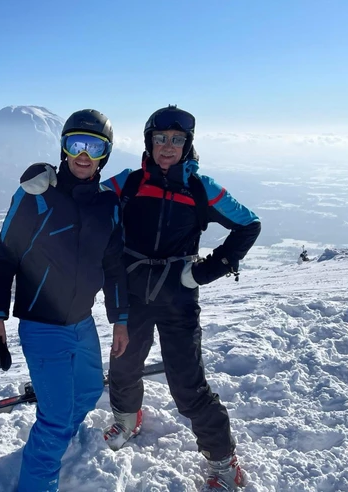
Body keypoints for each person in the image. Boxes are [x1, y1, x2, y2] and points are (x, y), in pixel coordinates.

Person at [102, 105, 261, 491]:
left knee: (188, 385)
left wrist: (208, 270)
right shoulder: (130, 182)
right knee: (123, 365)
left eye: (177, 139)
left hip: (178, 299)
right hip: (133, 294)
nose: (168, 146)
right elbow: (87, 200)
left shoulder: (200, 188)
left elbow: (249, 224)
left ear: (188, 144)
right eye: (160, 138)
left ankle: (223, 462)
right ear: (149, 142)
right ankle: (127, 418)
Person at [0, 109, 130, 492]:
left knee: (89, 391)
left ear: (105, 153)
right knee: (55, 418)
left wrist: (120, 319)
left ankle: (53, 443)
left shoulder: (108, 204)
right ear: (63, 147)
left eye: (94, 146)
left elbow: (114, 266)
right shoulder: (36, 193)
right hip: (42, 326)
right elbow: (5, 257)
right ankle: (42, 468)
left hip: (83, 323)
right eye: (75, 143)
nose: (83, 154)